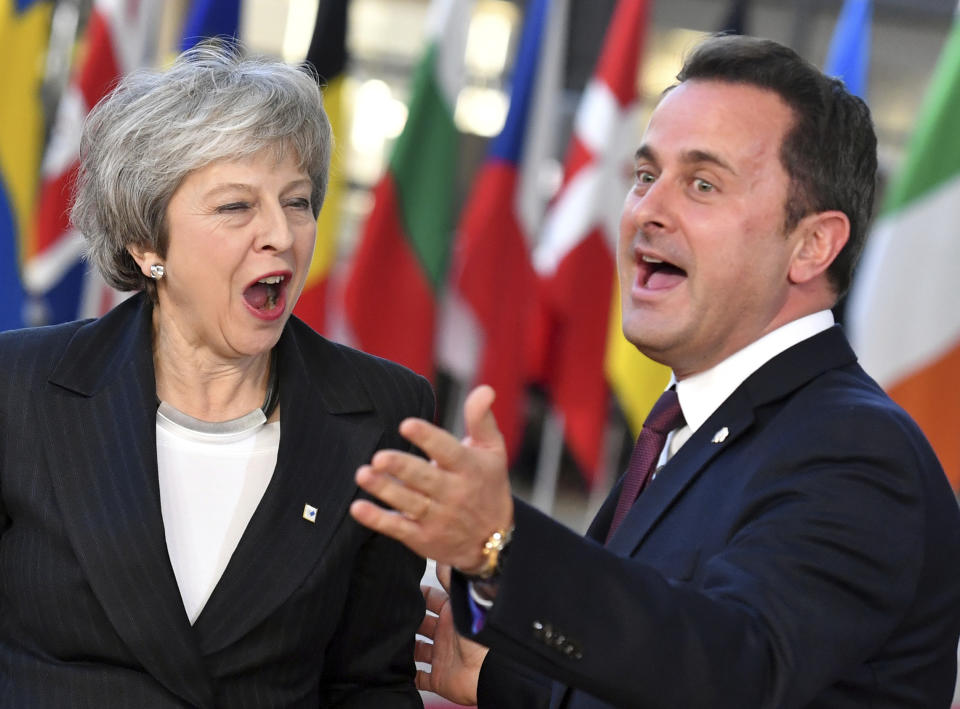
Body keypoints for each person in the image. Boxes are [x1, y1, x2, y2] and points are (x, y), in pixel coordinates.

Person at [349, 34, 960, 708]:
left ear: (813, 245)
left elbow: (737, 668)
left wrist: (503, 546)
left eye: (702, 183)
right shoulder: (689, 426)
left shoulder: (856, 450)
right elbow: (660, 677)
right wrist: (499, 681)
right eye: (645, 176)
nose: (646, 211)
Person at [0, 44, 432, 708]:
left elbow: (369, 685)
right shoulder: (19, 388)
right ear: (147, 244)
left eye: (296, 201)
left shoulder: (383, 413)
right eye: (236, 207)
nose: (281, 236)